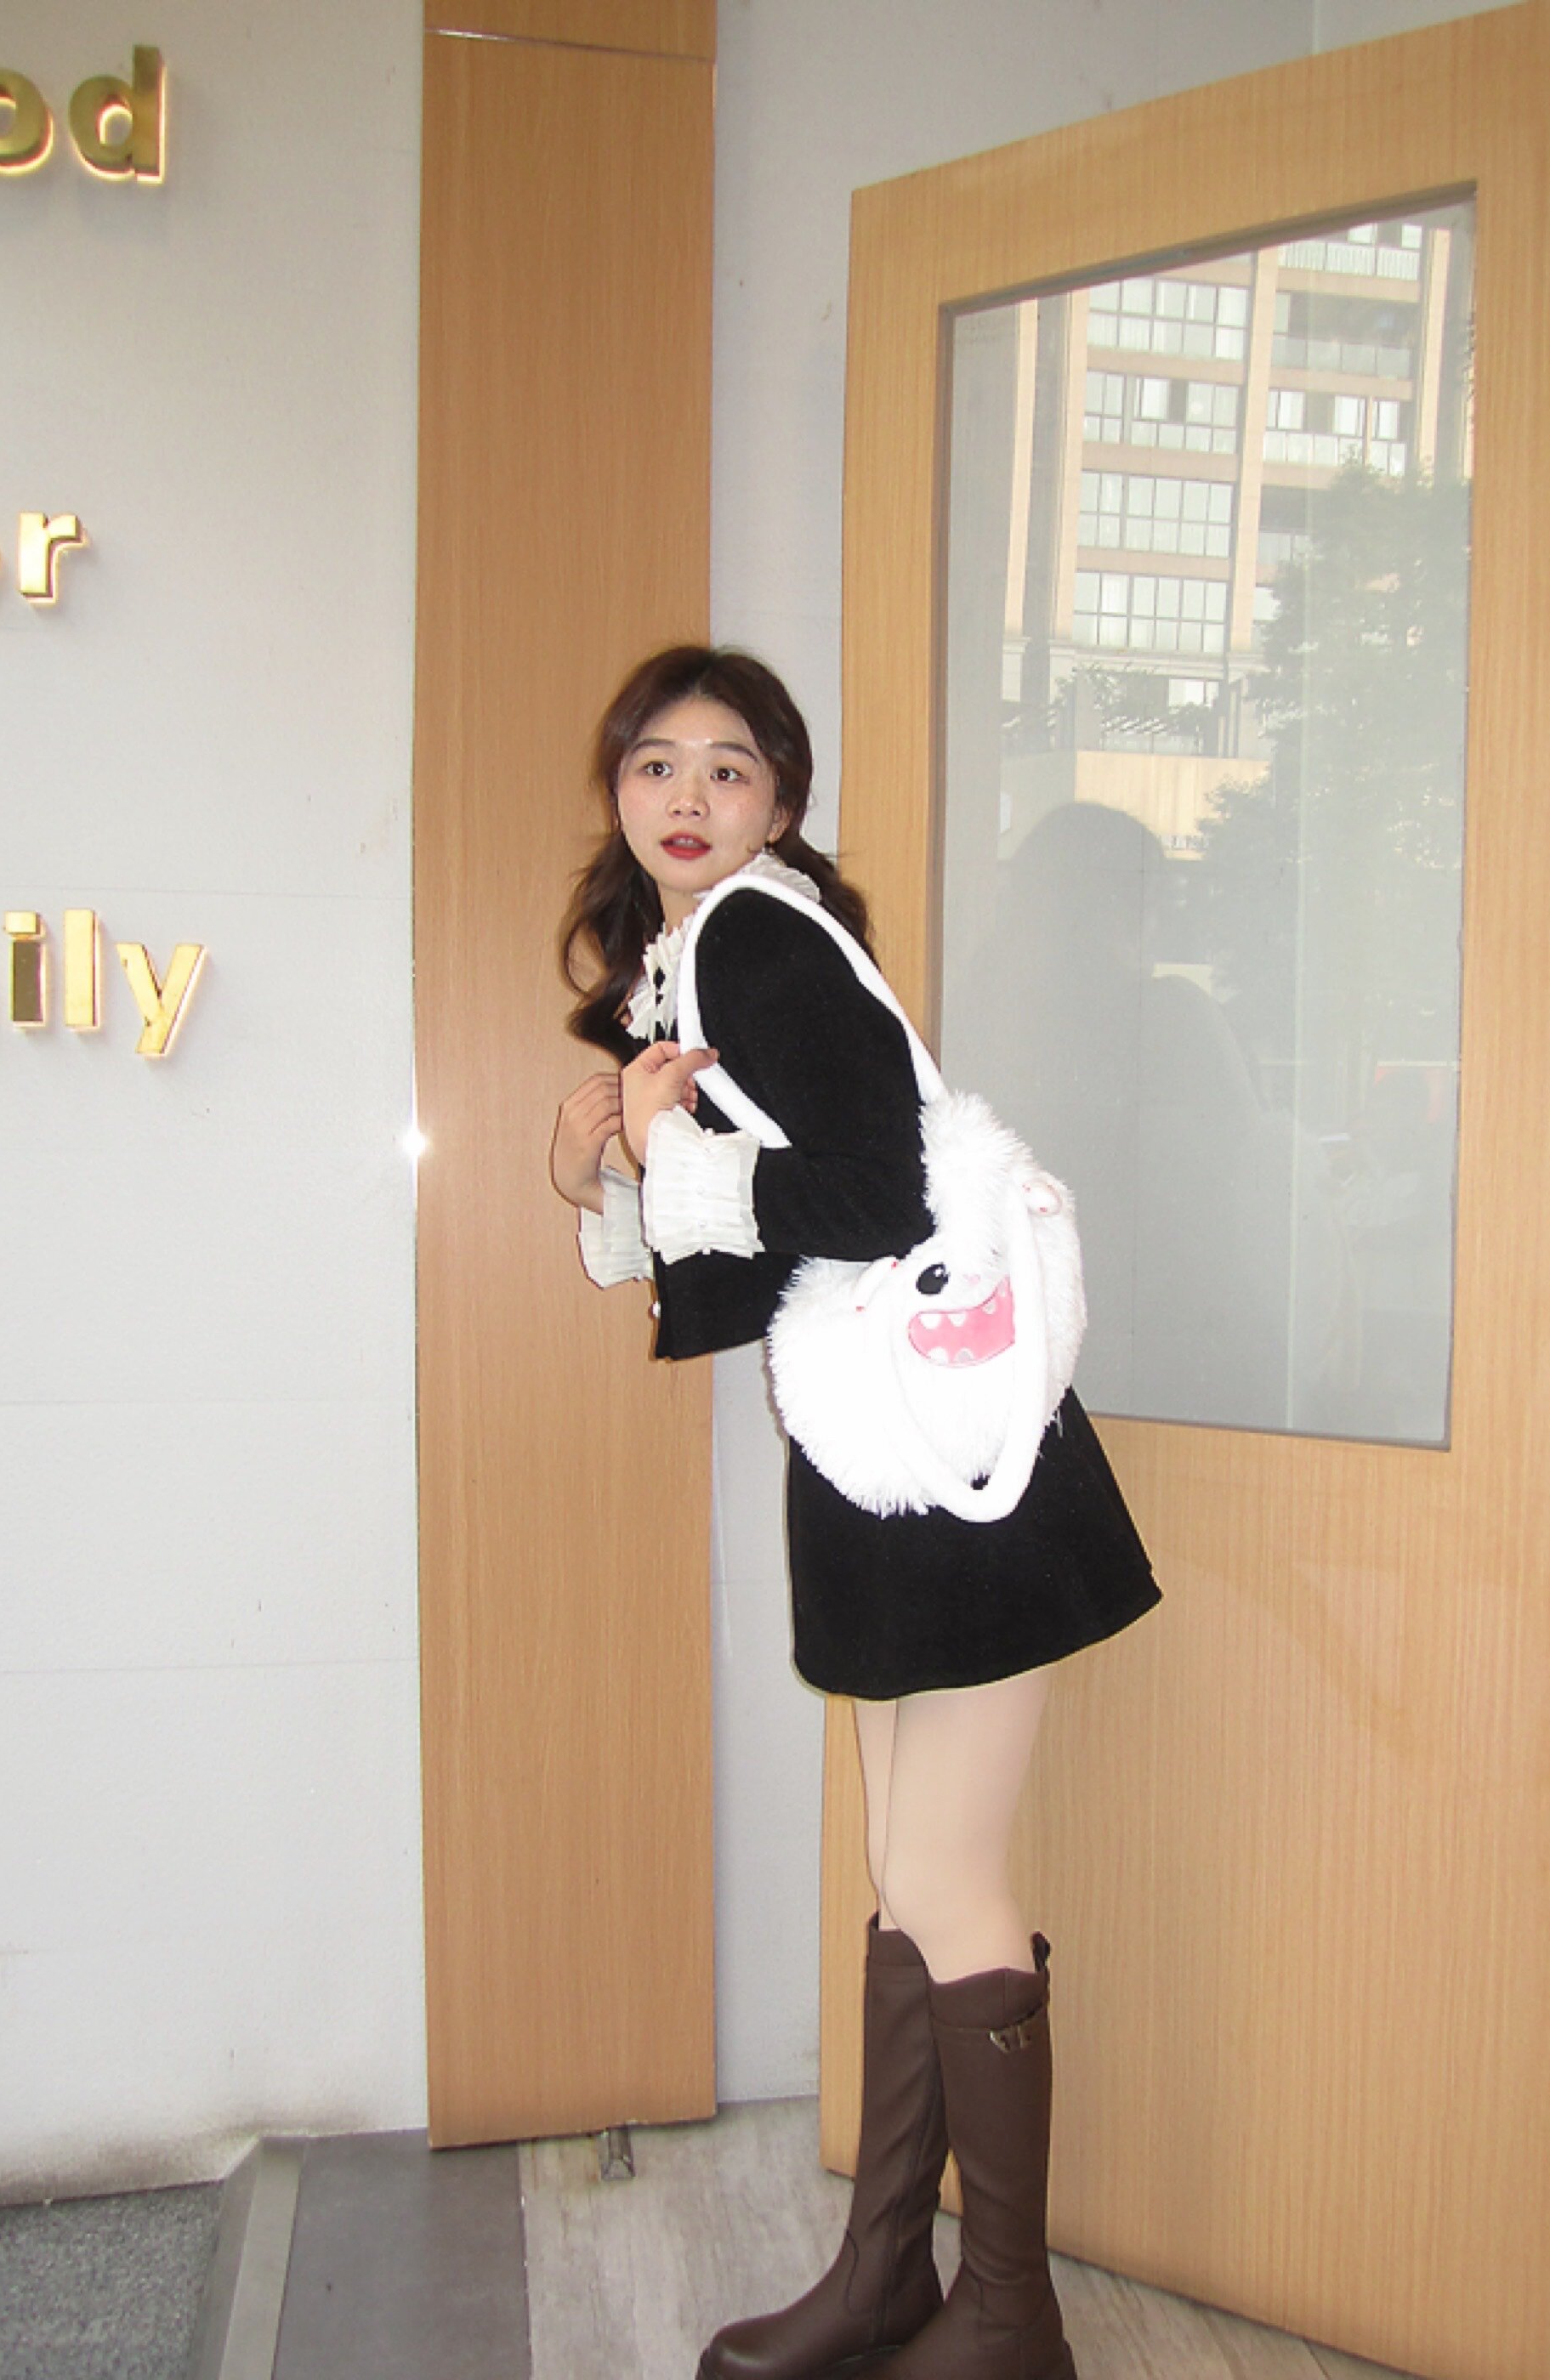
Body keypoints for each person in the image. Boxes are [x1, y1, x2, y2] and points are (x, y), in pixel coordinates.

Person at [552, 645, 1158, 2380]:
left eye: (727, 768)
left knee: (941, 1872)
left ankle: (1011, 2313)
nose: (686, 796)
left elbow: (880, 1192)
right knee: (907, 1872)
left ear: (780, 800)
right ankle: (889, 2273)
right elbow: (753, 1252)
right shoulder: (688, 959)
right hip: (886, 1451)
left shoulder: (756, 936)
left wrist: (664, 1156)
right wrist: (610, 1166)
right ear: (618, 790)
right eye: (655, 764)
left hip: (950, 1470)